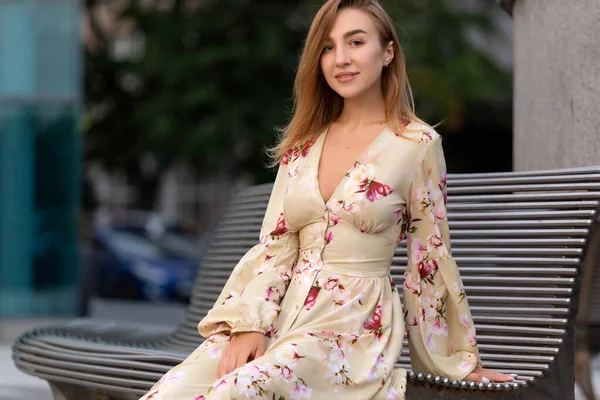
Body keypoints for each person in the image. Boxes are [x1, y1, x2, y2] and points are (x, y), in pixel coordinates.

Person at [139, 0, 514, 398]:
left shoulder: (415, 145)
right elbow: (276, 243)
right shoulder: (303, 143)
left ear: (387, 52)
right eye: (328, 47)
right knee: (174, 390)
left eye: (355, 42)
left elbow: (430, 258)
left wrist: (457, 361)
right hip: (281, 314)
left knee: (242, 389)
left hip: (349, 328)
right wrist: (251, 324)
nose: (341, 59)